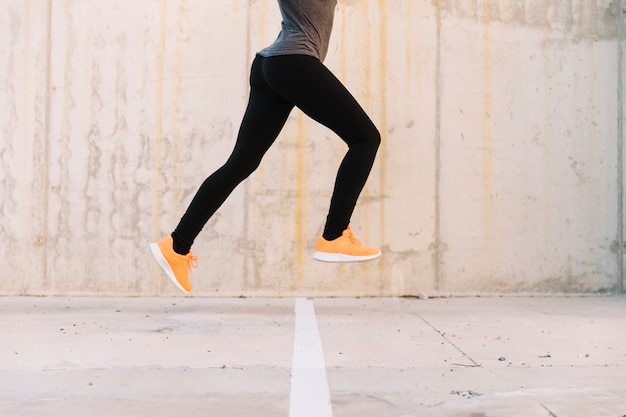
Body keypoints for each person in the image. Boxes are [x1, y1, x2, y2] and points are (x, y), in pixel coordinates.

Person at [150, 0, 381, 293]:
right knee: (365, 139)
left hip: (272, 65)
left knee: (241, 163)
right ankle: (334, 235)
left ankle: (176, 246)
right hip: (293, 62)